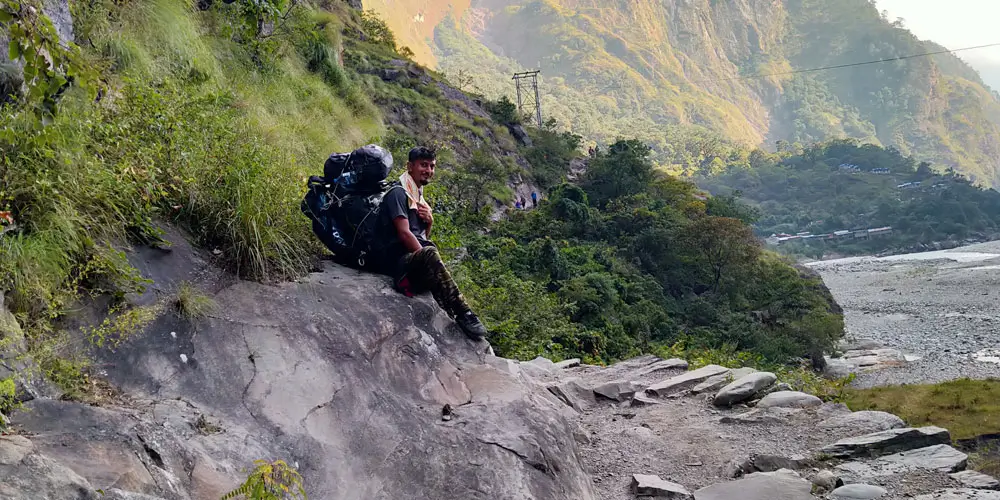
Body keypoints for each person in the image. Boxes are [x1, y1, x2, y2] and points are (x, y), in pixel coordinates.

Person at [373, 146, 489, 340]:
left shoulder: (417, 195)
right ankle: (463, 312)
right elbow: (404, 233)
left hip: (410, 259)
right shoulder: (398, 194)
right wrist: (427, 260)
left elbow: (421, 236)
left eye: (432, 166)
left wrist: (430, 222)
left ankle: (451, 307)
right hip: (397, 265)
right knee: (429, 253)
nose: (428, 170)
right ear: (410, 166)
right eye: (423, 165)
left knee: (430, 250)